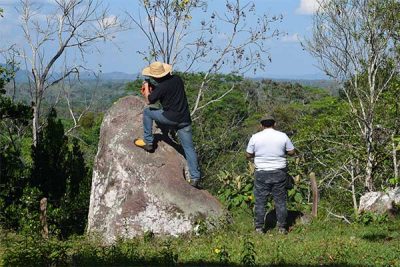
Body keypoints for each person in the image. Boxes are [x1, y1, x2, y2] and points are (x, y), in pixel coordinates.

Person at [134, 61, 201, 188]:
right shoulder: (177, 79)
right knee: (189, 148)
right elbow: (166, 91)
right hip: (185, 120)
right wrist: (154, 88)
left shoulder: (161, 87)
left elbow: (149, 100)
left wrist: (147, 86)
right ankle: (195, 177)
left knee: (148, 113)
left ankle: (148, 142)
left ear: (155, 76)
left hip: (171, 118)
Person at [246, 115, 295, 234]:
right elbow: (292, 152)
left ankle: (259, 228)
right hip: (279, 172)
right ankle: (282, 227)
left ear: (261, 125)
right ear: (275, 124)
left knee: (260, 201)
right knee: (280, 201)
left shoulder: (255, 137)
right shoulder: (282, 136)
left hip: (262, 173)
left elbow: (248, 154)